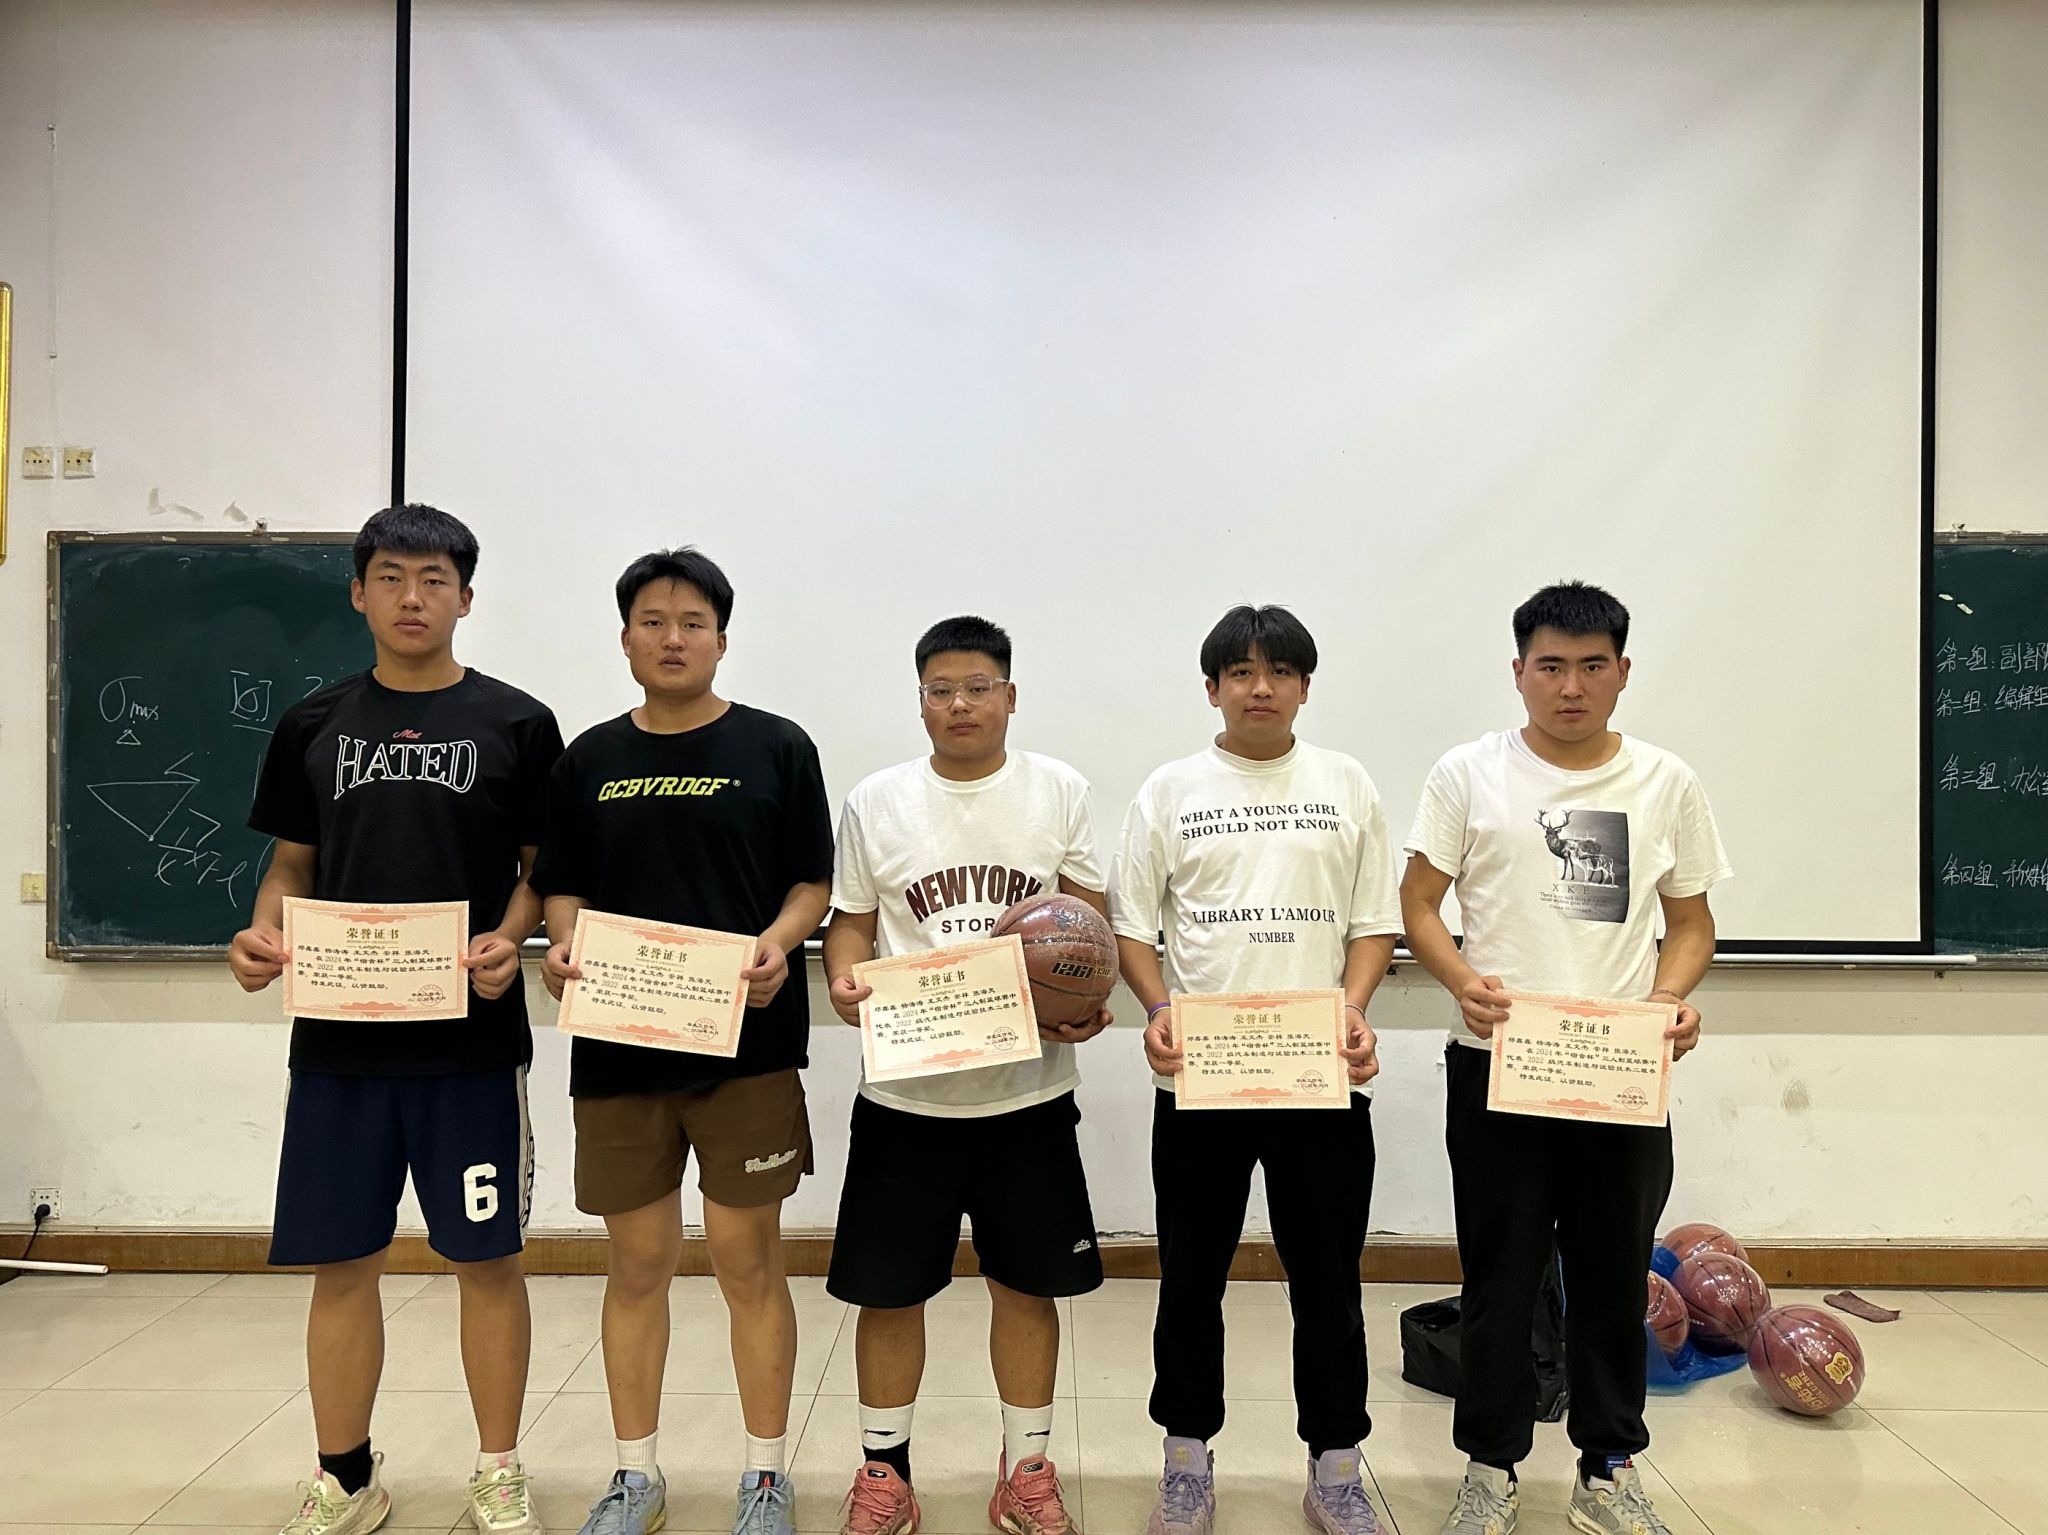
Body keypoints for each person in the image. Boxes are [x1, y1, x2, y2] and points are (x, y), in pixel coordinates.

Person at [229, 503, 562, 1535]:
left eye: (433, 579)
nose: (411, 597)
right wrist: (262, 934)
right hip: (339, 1045)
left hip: (470, 1046)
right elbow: (290, 866)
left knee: (487, 1259)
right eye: (390, 577)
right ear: (358, 592)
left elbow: (540, 872)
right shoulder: (313, 722)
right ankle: (344, 1472)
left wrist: (511, 936)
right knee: (342, 1261)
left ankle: (497, 1466)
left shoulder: (518, 722)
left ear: (466, 595)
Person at [1399, 581, 1730, 1535]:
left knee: (1613, 1277)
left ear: (1623, 671)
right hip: (1497, 1062)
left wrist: (1668, 998)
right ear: (1519, 672)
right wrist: (1461, 978)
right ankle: (1490, 1469)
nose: (1571, 686)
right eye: (1550, 666)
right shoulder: (1469, 773)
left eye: (1592, 666)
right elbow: (1419, 902)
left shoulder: (1665, 781)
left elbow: (1692, 922)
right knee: (1499, 1281)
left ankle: (1608, 1469)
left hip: (1619, 1072)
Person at [534, 548, 833, 1535]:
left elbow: (811, 882)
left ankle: (764, 1476)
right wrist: (565, 940)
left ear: (721, 638)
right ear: (625, 638)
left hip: (745, 1047)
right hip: (619, 1050)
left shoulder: (777, 745)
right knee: (637, 1263)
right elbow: (562, 886)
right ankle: (635, 1473)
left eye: (692, 622)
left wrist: (779, 941)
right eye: (653, 621)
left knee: (748, 1262)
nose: (673, 638)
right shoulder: (586, 758)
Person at [1110, 604, 1400, 1535]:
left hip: (1320, 1078)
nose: (1260, 687)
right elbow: (1131, 927)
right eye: (1240, 671)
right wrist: (1158, 1008)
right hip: (1201, 1079)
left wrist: (1354, 1007)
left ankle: (1337, 1466)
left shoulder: (1346, 782)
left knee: (1330, 1283)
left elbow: (1373, 925)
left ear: (1305, 686)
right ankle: (1186, 1459)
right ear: (1213, 689)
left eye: (1279, 671)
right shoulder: (1170, 789)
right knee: (1190, 1280)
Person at [821, 615, 1113, 1535]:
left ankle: (1025, 1470)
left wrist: (1088, 994)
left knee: (1026, 1288)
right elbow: (851, 924)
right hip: (905, 1095)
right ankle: (885, 1473)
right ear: (920, 701)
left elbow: (1090, 924)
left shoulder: (1058, 789)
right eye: (941, 689)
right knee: (888, 1293)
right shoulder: (877, 800)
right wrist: (843, 979)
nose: (960, 703)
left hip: (1027, 1094)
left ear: (1009, 696)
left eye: (978, 687)